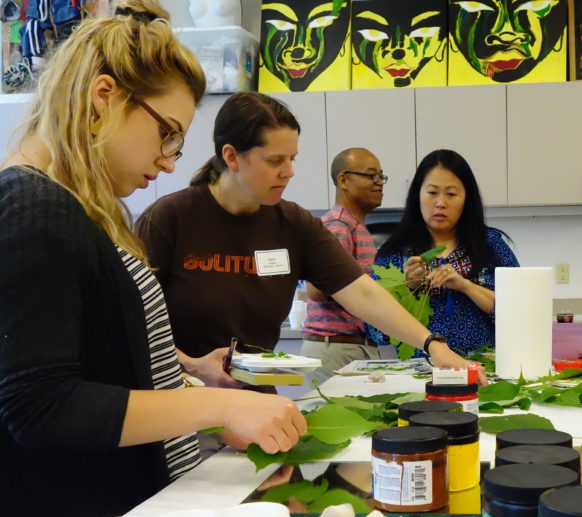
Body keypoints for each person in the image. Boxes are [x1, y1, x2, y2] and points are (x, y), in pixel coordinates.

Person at [0, 1, 313, 517]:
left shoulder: (68, 206)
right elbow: (43, 405)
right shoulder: (30, 208)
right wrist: (218, 407)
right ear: (105, 96)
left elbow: (106, 363)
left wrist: (208, 402)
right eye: (166, 133)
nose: (171, 160)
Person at [135, 94, 471, 389]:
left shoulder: (293, 224)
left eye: (291, 159)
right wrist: (192, 366)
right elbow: (129, 322)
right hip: (181, 401)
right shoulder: (170, 218)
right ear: (232, 156)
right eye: (274, 160)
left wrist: (432, 345)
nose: (289, 171)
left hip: (254, 402)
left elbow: (362, 293)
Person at [367, 149, 519, 356]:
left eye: (451, 194)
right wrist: (409, 288)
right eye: (432, 193)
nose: (440, 203)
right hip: (420, 368)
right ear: (417, 195)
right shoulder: (395, 252)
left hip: (482, 366)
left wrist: (466, 286)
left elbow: (520, 309)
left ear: (467, 199)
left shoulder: (490, 244)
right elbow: (375, 329)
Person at [300, 148, 385, 383]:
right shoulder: (338, 225)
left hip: (350, 347)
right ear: (344, 180)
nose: (379, 182)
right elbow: (317, 289)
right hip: (338, 348)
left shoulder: (354, 226)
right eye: (371, 175)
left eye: (381, 176)